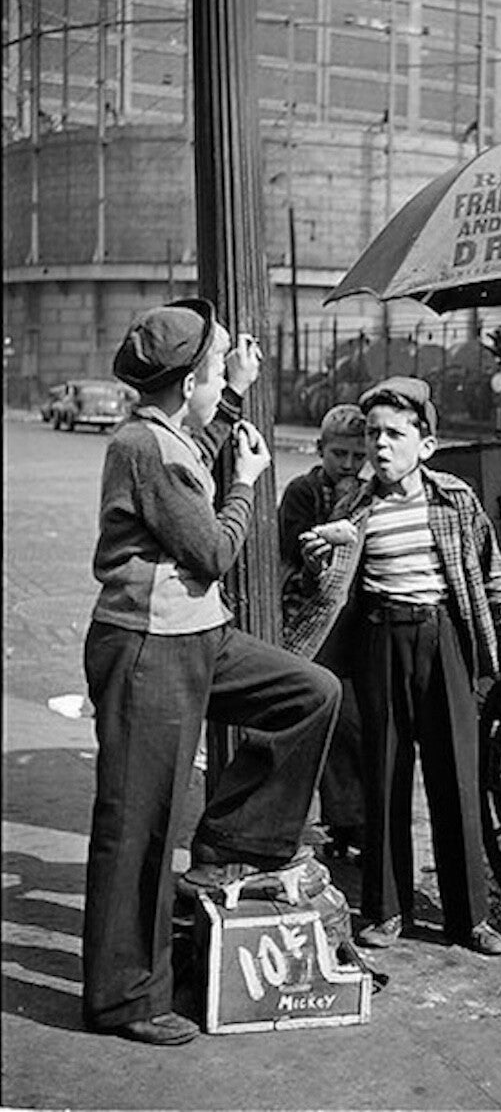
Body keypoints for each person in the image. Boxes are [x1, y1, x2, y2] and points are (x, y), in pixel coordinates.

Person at [82, 299, 341, 1046]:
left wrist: (234, 394)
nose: (226, 379)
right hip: (148, 646)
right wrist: (247, 483)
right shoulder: (147, 448)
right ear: (187, 381)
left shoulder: (167, 434)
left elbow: (201, 437)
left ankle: (235, 841)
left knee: (309, 693)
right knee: (139, 824)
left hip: (196, 633)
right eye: (217, 370)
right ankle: (124, 998)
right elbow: (215, 550)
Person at [281, 376, 501, 956]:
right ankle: (386, 909)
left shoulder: (454, 500)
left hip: (443, 640)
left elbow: (493, 574)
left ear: (426, 444)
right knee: (385, 773)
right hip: (379, 641)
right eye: (373, 434)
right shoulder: (352, 506)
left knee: (456, 776)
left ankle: (471, 918)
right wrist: (317, 560)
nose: (380, 445)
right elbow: (323, 588)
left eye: (395, 434)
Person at [279, 403, 369, 859]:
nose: (349, 465)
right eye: (339, 455)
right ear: (320, 450)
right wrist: (339, 510)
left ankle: (351, 820)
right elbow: (295, 550)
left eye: (357, 456)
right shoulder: (302, 492)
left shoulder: (370, 493)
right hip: (313, 620)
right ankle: (337, 819)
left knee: (354, 724)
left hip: (355, 624)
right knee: (328, 718)